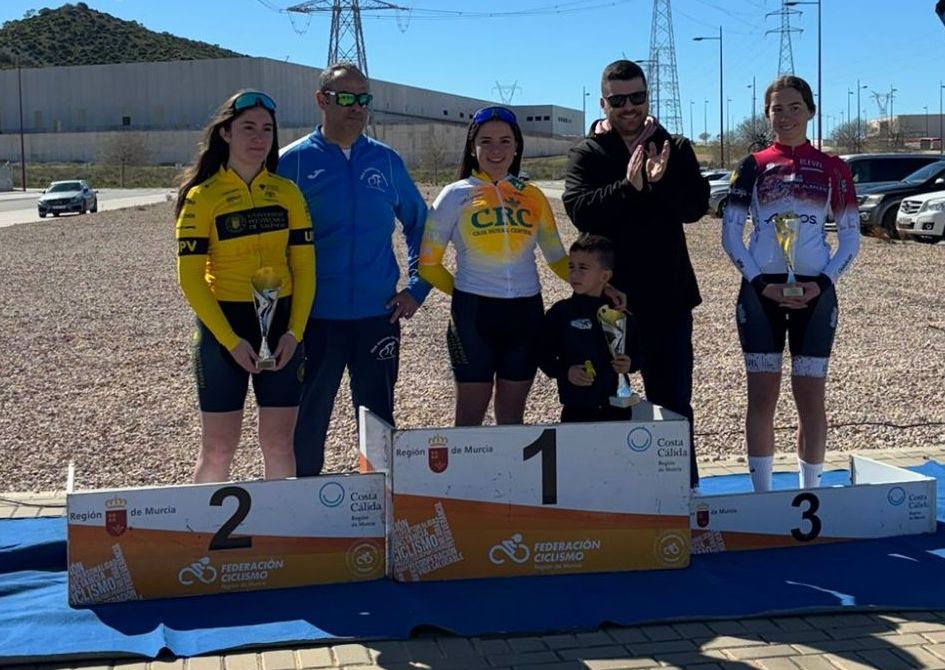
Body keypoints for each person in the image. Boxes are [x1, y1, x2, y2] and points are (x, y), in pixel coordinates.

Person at [277, 62, 429, 476]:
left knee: (377, 418)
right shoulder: (291, 163)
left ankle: (378, 495)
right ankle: (304, 499)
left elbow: (420, 224)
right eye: (346, 97)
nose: (356, 107)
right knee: (308, 418)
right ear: (321, 100)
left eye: (363, 98)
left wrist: (418, 287)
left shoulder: (387, 161)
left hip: (377, 316)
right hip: (313, 317)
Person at [563, 59, 708, 489]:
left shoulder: (673, 147)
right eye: (619, 100)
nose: (629, 107)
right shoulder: (588, 153)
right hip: (610, 302)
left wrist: (661, 183)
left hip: (668, 300)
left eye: (638, 97)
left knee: (673, 402)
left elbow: (695, 208)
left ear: (648, 96)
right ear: (603, 103)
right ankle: (609, 494)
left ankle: (682, 491)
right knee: (604, 400)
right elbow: (580, 211)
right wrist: (629, 188)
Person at [721, 75, 859, 491]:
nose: (785, 116)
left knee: (811, 399)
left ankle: (809, 493)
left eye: (794, 107)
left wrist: (824, 283)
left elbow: (850, 238)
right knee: (762, 398)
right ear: (767, 115)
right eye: (776, 109)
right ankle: (763, 496)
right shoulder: (751, 165)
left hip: (816, 291)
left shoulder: (834, 168)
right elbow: (731, 236)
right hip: (761, 291)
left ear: (811, 111)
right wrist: (761, 284)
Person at [175, 90, 315, 483]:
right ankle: (204, 520)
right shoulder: (202, 197)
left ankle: (281, 521)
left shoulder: (288, 193)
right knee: (218, 448)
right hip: (225, 328)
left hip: (281, 325)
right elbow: (189, 278)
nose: (259, 137)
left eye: (267, 129)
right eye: (248, 128)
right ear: (225, 133)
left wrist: (294, 333)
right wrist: (230, 341)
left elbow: (305, 268)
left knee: (279, 444)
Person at [419, 106, 575, 426]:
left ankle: (509, 464)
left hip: (526, 313)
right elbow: (428, 265)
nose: (496, 150)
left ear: (516, 147)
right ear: (472, 148)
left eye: (505, 141)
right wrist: (464, 294)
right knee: (469, 419)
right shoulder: (453, 195)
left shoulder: (533, 196)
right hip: (474, 315)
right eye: (486, 141)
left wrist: (601, 288)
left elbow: (558, 259)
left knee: (512, 418)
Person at [539, 234, 639, 423]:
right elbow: (542, 353)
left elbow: (639, 350)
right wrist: (566, 371)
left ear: (605, 276)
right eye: (571, 267)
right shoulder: (561, 312)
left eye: (583, 268)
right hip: (576, 408)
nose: (574, 274)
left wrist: (631, 363)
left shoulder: (619, 313)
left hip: (618, 408)